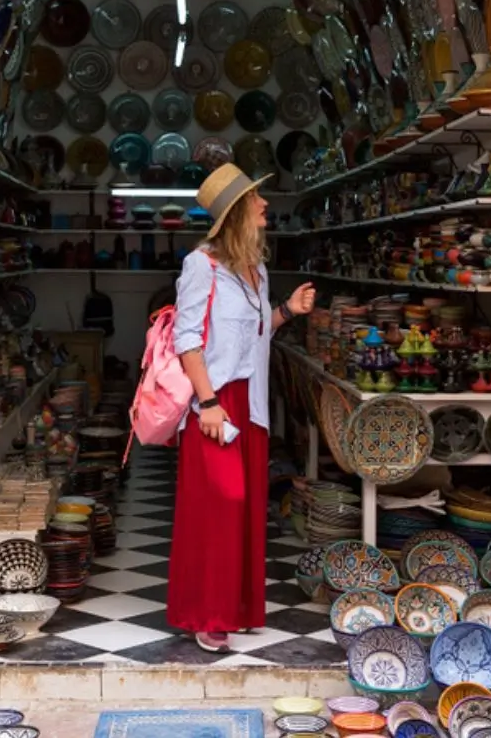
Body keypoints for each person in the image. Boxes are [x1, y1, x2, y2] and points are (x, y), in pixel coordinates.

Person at [166, 164, 316, 654]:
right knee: (219, 506)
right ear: (235, 214)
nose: (265, 205)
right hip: (216, 401)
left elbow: (254, 333)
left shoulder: (256, 268)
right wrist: (207, 403)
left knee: (246, 507)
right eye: (256, 199)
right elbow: (187, 341)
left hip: (250, 404)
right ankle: (205, 613)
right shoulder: (201, 266)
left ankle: (239, 611)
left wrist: (286, 311)